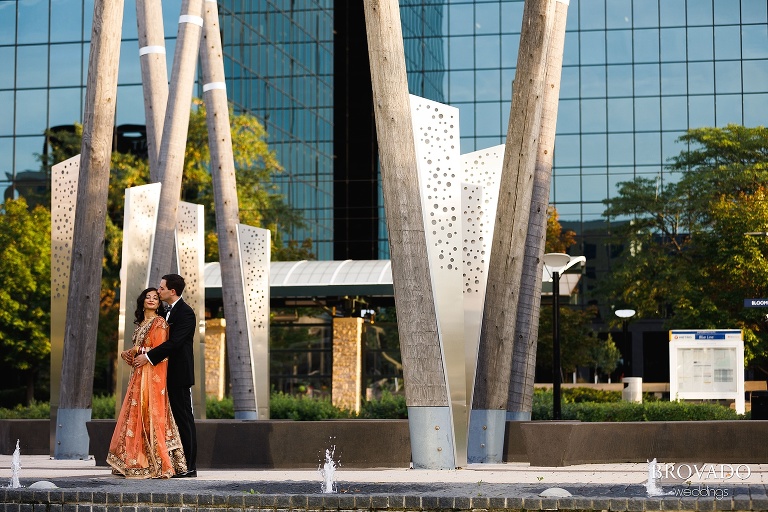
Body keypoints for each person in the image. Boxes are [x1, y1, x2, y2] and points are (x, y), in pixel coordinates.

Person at [106, 288, 187, 479]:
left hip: (151, 377)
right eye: (148, 297)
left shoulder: (159, 323)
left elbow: (160, 350)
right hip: (138, 375)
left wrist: (136, 349)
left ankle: (155, 464)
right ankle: (133, 461)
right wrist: (129, 353)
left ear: (159, 304)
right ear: (142, 301)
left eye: (156, 298)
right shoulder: (141, 324)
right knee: (134, 415)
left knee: (150, 415)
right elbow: (140, 352)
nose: (151, 299)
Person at [134, 274, 198, 478]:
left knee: (183, 419)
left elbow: (175, 343)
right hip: (162, 375)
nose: (158, 291)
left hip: (179, 374)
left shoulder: (186, 313)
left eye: (161, 288)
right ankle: (173, 464)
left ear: (172, 291)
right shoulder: (166, 313)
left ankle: (189, 467)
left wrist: (148, 357)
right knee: (169, 420)